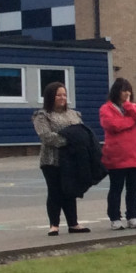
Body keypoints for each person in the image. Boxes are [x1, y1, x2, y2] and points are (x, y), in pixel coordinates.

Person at [33, 81, 90, 235]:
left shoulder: (74, 114)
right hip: (51, 160)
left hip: (71, 160)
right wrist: (69, 141)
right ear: (51, 96)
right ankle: (54, 225)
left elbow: (81, 132)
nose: (62, 98)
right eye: (58, 95)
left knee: (70, 190)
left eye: (64, 95)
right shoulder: (42, 115)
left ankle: (73, 224)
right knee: (55, 191)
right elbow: (46, 136)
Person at [98, 78, 136, 229]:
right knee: (116, 188)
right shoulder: (106, 108)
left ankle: (132, 216)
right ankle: (115, 218)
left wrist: (129, 107)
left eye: (129, 90)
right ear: (116, 91)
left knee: (133, 189)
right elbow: (113, 125)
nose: (127, 93)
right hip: (116, 155)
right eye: (123, 90)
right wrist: (132, 121)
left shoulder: (134, 107)